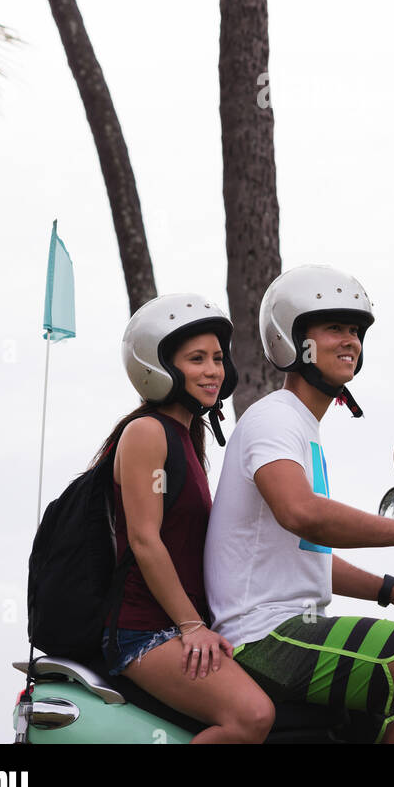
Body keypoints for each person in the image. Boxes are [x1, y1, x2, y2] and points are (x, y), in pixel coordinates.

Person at [203, 265, 394, 744]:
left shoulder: (302, 430)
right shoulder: (275, 420)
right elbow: (301, 513)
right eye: (334, 327)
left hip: (294, 629)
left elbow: (305, 556)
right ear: (293, 339)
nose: (350, 340)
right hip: (265, 637)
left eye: (355, 330)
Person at [91, 293, 275, 745]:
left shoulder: (187, 440)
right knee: (251, 715)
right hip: (143, 631)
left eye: (217, 358)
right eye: (196, 359)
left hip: (180, 625)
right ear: (159, 367)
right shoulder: (147, 432)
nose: (213, 370)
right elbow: (145, 539)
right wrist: (192, 626)